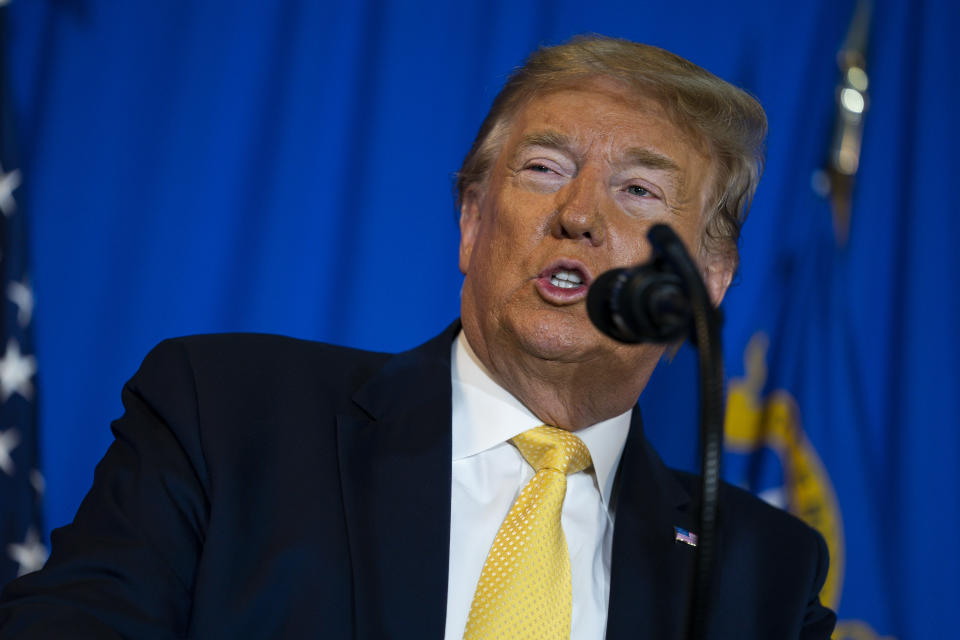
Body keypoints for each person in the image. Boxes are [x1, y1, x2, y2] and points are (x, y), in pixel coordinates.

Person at [0, 35, 835, 639]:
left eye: (641, 190)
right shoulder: (228, 416)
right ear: (473, 223)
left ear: (710, 279)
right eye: (543, 169)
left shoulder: (761, 574)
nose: (579, 215)